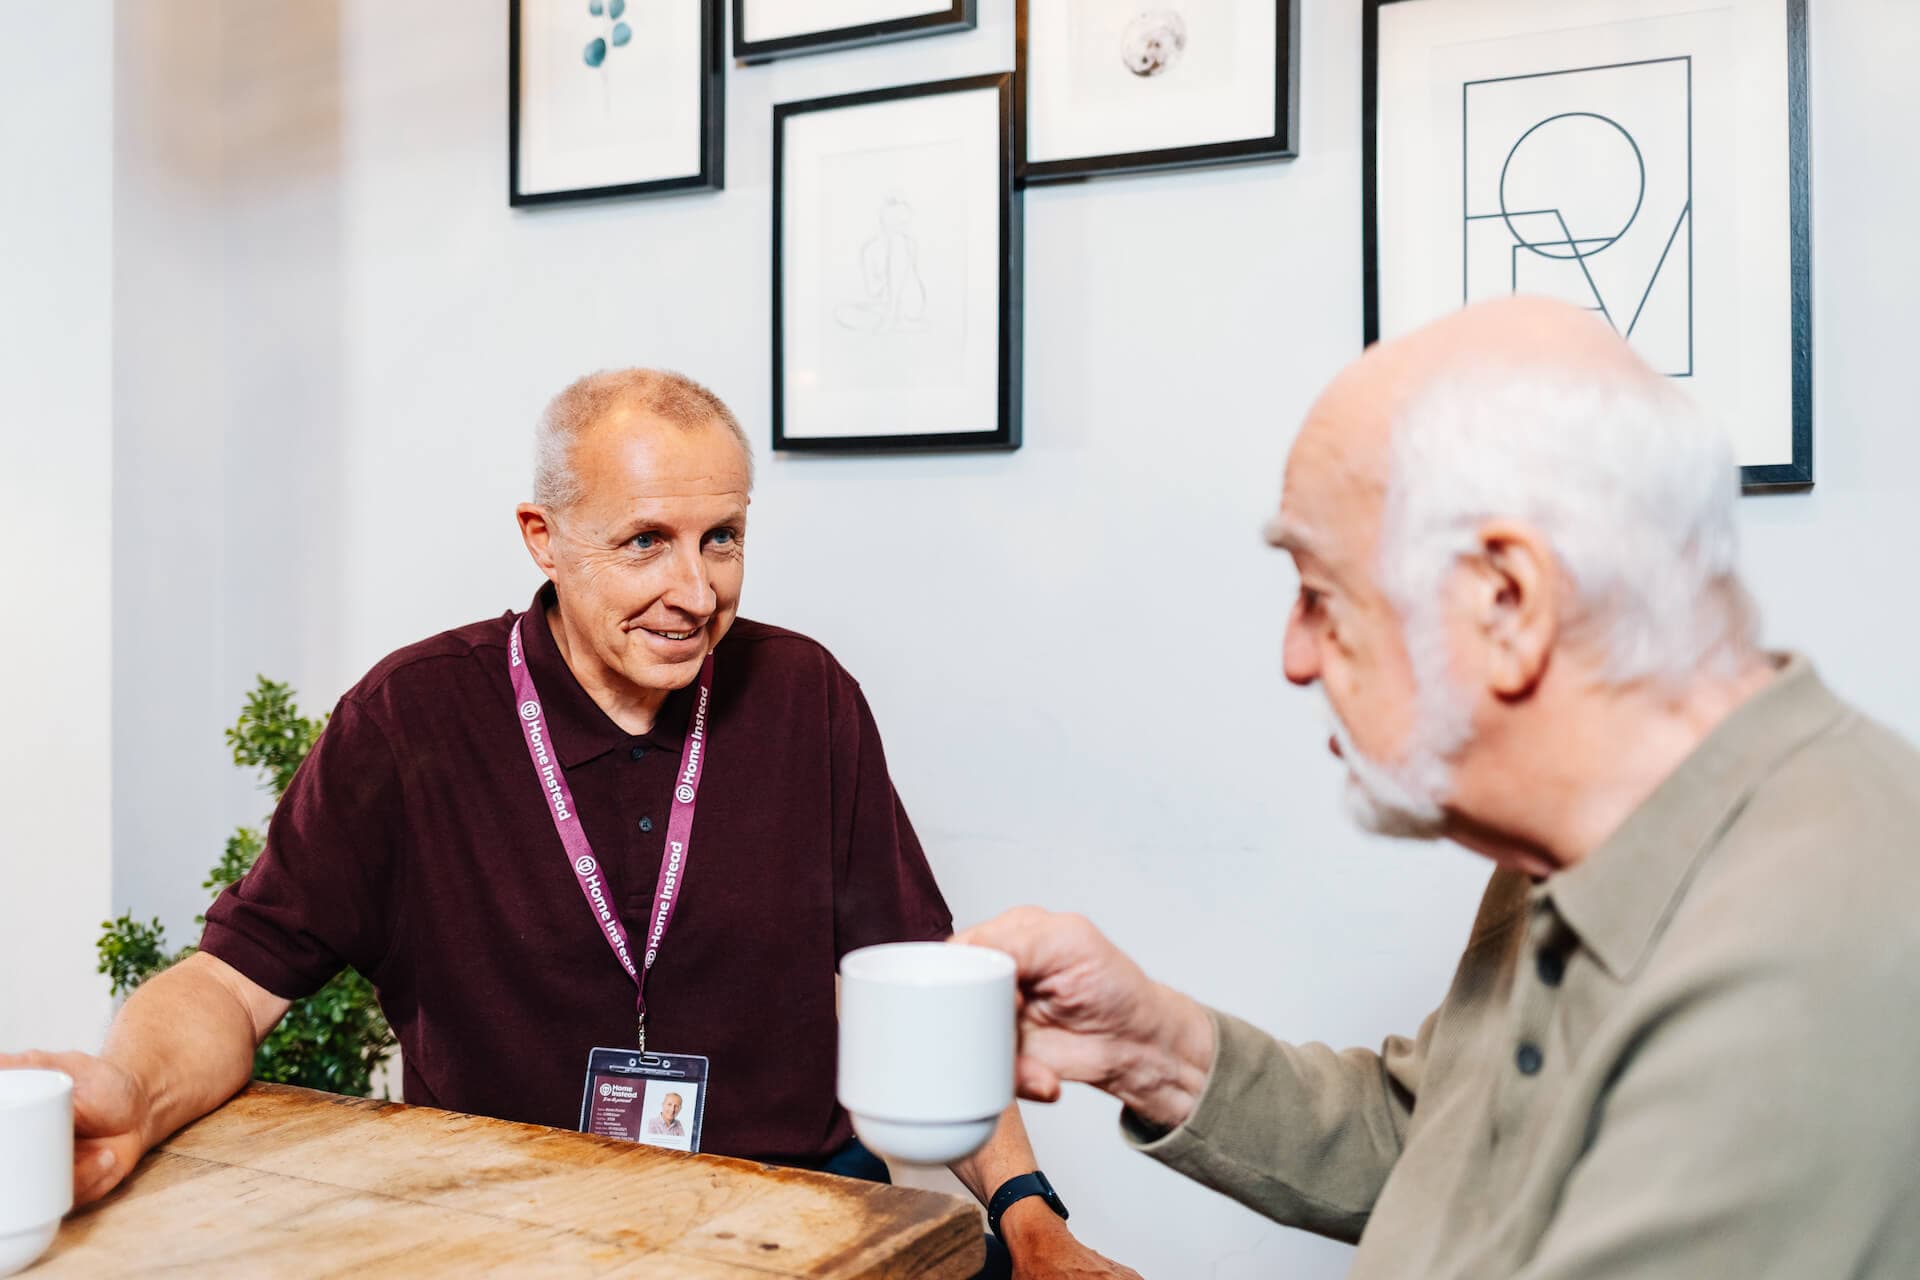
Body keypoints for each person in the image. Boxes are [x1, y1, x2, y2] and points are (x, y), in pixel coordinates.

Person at [4, 370, 1133, 1280]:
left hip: (796, 1215)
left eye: (723, 537)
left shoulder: (807, 696)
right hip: (514, 1227)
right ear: (543, 536)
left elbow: (924, 986)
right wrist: (130, 1096)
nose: (695, 590)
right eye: (646, 540)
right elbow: (227, 985)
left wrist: (1031, 1216)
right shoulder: (409, 716)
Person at [958, 298, 1920, 1278]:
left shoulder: (1806, 954)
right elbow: (1454, 1145)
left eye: (1321, 595)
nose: (1295, 656)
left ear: (1508, 601)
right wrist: (1148, 1045)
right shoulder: (1578, 841)